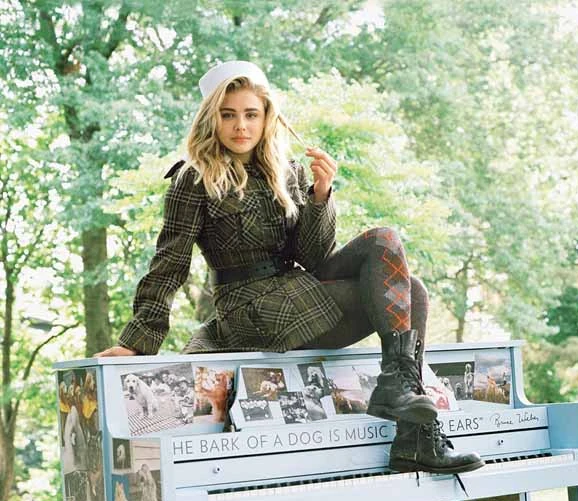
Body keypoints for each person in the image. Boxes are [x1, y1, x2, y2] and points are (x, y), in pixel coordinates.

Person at [96, 60, 482, 475]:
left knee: (405, 276)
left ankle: (409, 423)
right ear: (211, 119)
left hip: (297, 292)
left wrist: (320, 195)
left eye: (251, 114)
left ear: (267, 118)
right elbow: (169, 263)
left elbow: (314, 257)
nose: (240, 126)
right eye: (228, 115)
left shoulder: (288, 172)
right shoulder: (194, 178)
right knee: (407, 291)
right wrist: (139, 341)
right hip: (249, 309)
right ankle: (409, 423)